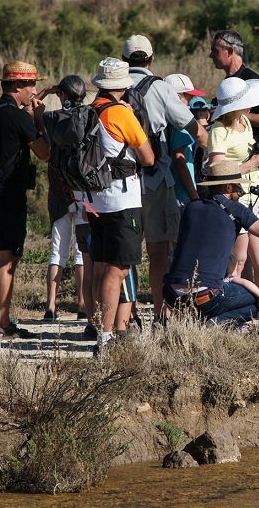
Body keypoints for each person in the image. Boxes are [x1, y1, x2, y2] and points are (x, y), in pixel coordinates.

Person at [121, 36, 207, 323]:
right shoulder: (159, 87)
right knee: (158, 253)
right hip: (156, 180)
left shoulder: (112, 87)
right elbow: (192, 126)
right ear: (151, 59)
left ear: (124, 60)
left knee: (123, 257)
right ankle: (161, 315)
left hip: (120, 181)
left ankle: (127, 317)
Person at [0, 61, 51, 339]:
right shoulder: (18, 117)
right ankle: (4, 324)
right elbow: (44, 153)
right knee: (8, 258)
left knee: (8, 253)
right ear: (17, 87)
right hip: (8, 196)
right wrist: (39, 119)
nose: (34, 90)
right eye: (31, 84)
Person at [85, 57, 155, 355]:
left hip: (93, 199)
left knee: (102, 267)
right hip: (121, 200)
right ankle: (107, 338)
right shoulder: (120, 114)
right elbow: (147, 158)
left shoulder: (89, 111)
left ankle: (102, 331)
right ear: (124, 85)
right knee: (117, 271)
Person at [163, 160, 259, 327]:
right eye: (238, 187)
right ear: (228, 187)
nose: (240, 192)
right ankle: (215, 324)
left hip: (171, 293)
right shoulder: (235, 209)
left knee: (209, 295)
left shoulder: (191, 207)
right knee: (255, 301)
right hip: (205, 295)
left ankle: (197, 323)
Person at [207, 77, 259, 314]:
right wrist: (252, 163)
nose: (252, 106)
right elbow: (216, 171)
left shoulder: (245, 123)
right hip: (234, 200)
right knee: (236, 263)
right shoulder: (218, 130)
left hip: (254, 198)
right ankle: (233, 312)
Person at [42, 75, 88, 321]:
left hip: (59, 188)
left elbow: (31, 112)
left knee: (57, 249)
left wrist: (46, 92)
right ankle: (82, 304)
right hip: (82, 188)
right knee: (81, 250)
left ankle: (50, 306)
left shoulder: (51, 119)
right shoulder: (89, 116)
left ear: (62, 94)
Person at [209, 29, 259, 142]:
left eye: (215, 51)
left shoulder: (252, 81)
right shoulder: (227, 84)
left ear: (229, 51)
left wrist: (227, 113)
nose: (211, 55)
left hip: (250, 155)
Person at [164, 75, 207, 215]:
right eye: (187, 99)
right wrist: (194, 196)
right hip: (182, 194)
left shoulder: (166, 120)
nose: (189, 105)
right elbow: (180, 162)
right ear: (176, 98)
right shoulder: (178, 125)